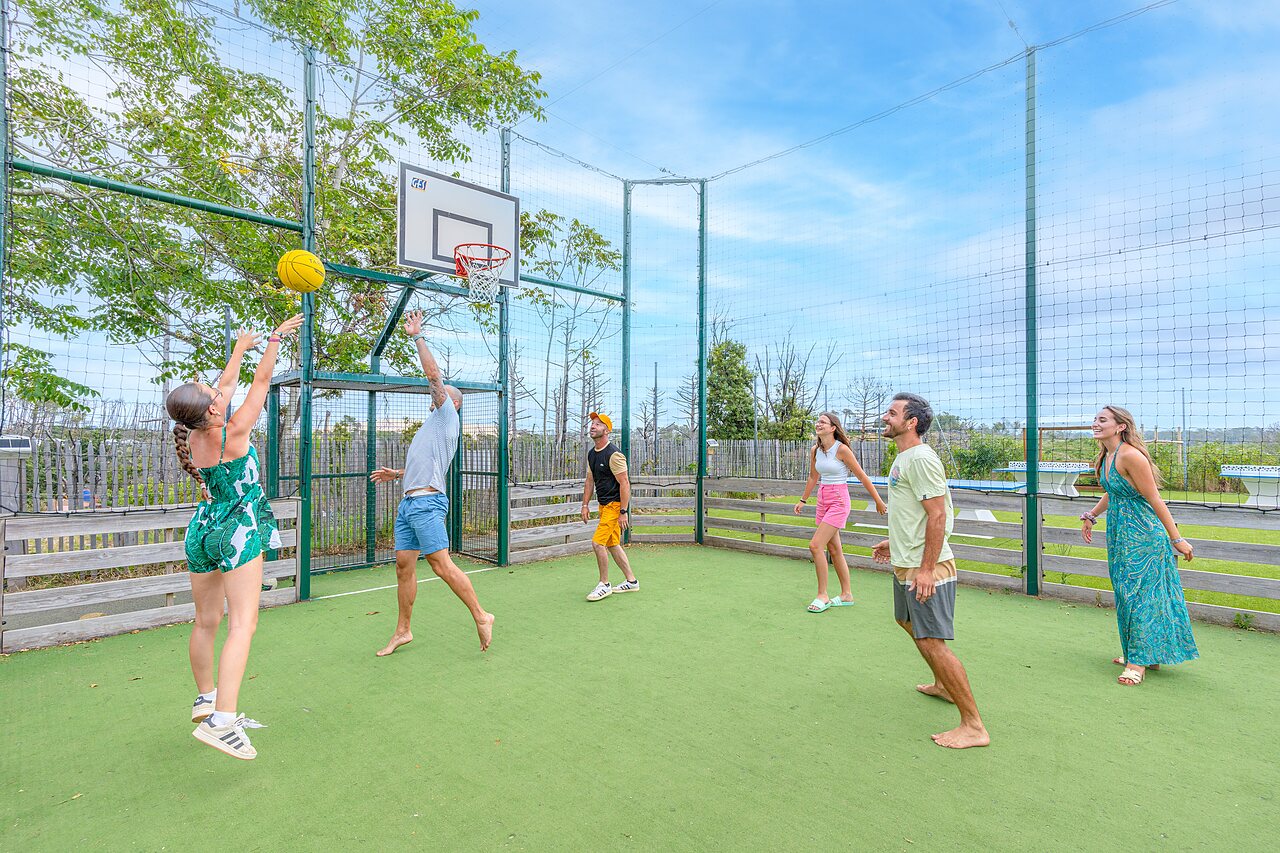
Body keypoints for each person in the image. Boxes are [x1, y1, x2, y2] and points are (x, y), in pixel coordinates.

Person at [166, 312, 303, 760]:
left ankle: (206, 698)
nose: (217, 390)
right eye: (211, 393)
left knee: (206, 621)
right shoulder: (233, 430)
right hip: (237, 529)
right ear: (211, 409)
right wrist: (274, 340)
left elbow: (227, 385)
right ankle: (222, 721)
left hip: (203, 529)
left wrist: (240, 348)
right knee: (243, 623)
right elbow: (261, 382)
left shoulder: (193, 434)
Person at [369, 310, 494, 656]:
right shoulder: (432, 426)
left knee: (441, 564)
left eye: (440, 394)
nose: (434, 395)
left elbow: (434, 376)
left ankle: (482, 615)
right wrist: (397, 475)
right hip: (410, 502)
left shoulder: (447, 415)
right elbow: (426, 465)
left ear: (453, 403)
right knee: (403, 566)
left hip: (427, 504)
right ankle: (403, 630)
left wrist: (417, 337)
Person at [872, 392, 989, 749]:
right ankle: (943, 686)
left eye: (892, 413)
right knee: (906, 622)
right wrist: (894, 543)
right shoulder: (905, 457)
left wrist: (926, 569)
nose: (885, 417)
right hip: (907, 560)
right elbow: (914, 513)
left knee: (931, 641)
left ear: (911, 422)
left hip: (927, 567)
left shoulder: (921, 458)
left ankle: (974, 726)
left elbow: (938, 515)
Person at [1081, 405, 1198, 686]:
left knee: (1142, 596)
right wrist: (1092, 516)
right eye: (1095, 419)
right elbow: (1114, 492)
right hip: (1120, 535)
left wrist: (1177, 539)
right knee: (1126, 592)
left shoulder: (1131, 455)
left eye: (1102, 420)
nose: (1095, 423)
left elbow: (1154, 498)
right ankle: (1143, 652)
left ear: (1121, 426)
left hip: (1144, 536)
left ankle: (1138, 663)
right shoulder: (1106, 456)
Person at [793, 411, 886, 612]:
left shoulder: (841, 449)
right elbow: (813, 477)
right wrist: (803, 500)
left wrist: (878, 501)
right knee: (834, 549)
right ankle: (846, 594)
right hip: (823, 499)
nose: (818, 424)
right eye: (817, 421)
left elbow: (862, 476)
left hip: (839, 501)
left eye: (823, 422)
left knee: (815, 546)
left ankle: (823, 595)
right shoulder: (815, 450)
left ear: (833, 428)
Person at [581, 412, 638, 601]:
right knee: (612, 544)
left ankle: (604, 584)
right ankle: (631, 581)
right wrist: (585, 505)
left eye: (598, 424)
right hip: (603, 505)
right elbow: (590, 481)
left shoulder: (614, 455)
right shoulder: (592, 454)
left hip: (615, 506)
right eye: (592, 423)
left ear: (606, 430)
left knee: (598, 543)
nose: (593, 426)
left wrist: (623, 512)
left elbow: (625, 483)